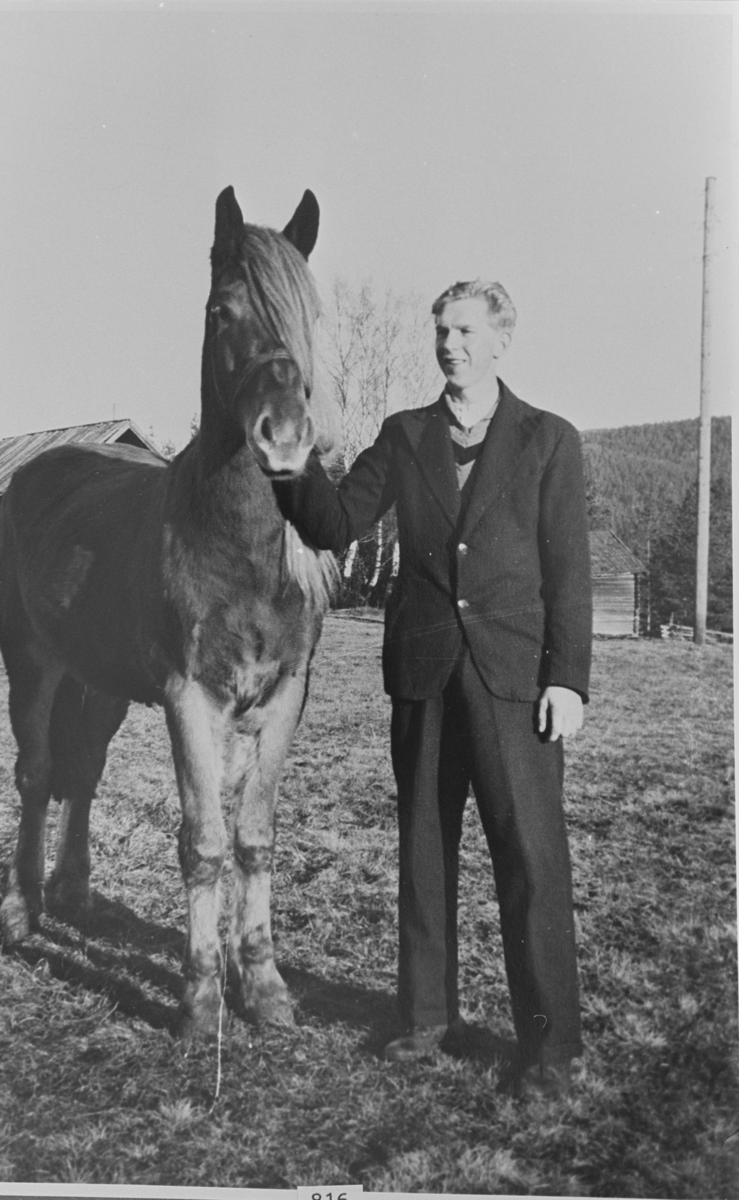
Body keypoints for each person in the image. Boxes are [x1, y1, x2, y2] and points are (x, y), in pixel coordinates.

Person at [274, 280, 592, 1098]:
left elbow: (569, 574)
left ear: (498, 342)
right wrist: (290, 466)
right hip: (421, 672)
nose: (447, 344)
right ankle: (422, 1021)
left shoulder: (548, 440)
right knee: (422, 850)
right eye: (439, 331)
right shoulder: (404, 434)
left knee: (529, 857)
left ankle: (549, 1052)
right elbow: (335, 524)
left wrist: (568, 680)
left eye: (461, 331)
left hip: (514, 680)